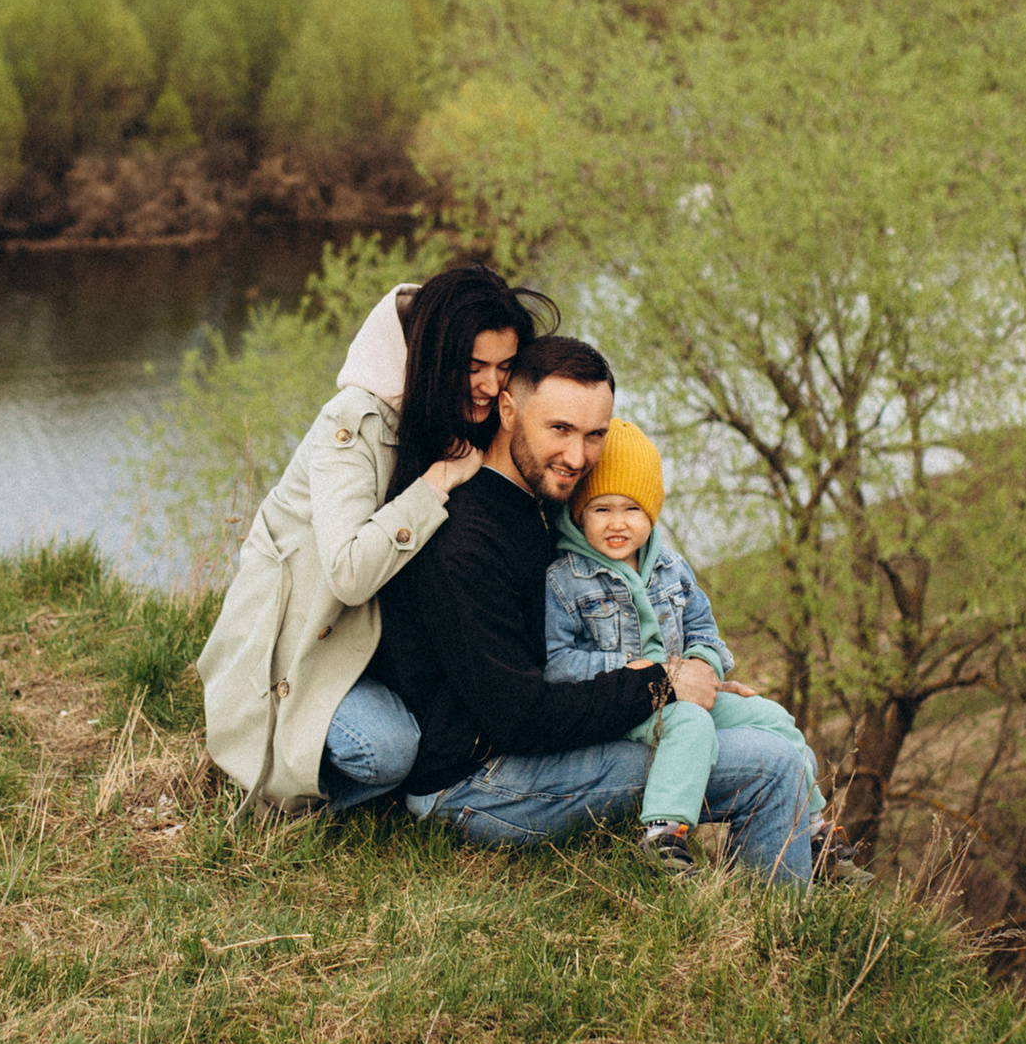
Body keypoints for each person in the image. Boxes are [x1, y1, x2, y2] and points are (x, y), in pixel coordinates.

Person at [366, 335, 818, 880]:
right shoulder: (467, 539)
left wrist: (698, 673)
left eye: (594, 435)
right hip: (474, 782)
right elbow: (519, 715)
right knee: (771, 767)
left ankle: (782, 892)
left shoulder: (538, 505)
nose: (578, 457)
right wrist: (661, 683)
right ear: (508, 409)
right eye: (559, 429)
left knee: (764, 733)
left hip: (529, 744)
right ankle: (777, 939)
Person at [195, 260, 535, 806]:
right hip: (303, 643)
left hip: (377, 638)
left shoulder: (454, 408)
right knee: (387, 749)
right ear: (435, 356)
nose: (491, 386)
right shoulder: (352, 424)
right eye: (474, 366)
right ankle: (312, 797)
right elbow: (349, 576)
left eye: (505, 367)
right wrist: (438, 482)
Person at [542, 416, 834, 878]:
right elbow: (557, 662)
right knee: (692, 724)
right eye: (601, 509)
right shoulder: (565, 580)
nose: (618, 523)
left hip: (686, 688)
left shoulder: (671, 568)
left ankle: (814, 829)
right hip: (631, 703)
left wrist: (704, 664)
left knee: (773, 719)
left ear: (652, 513)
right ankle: (665, 832)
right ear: (579, 513)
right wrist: (627, 667)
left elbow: (703, 629)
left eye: (632, 510)